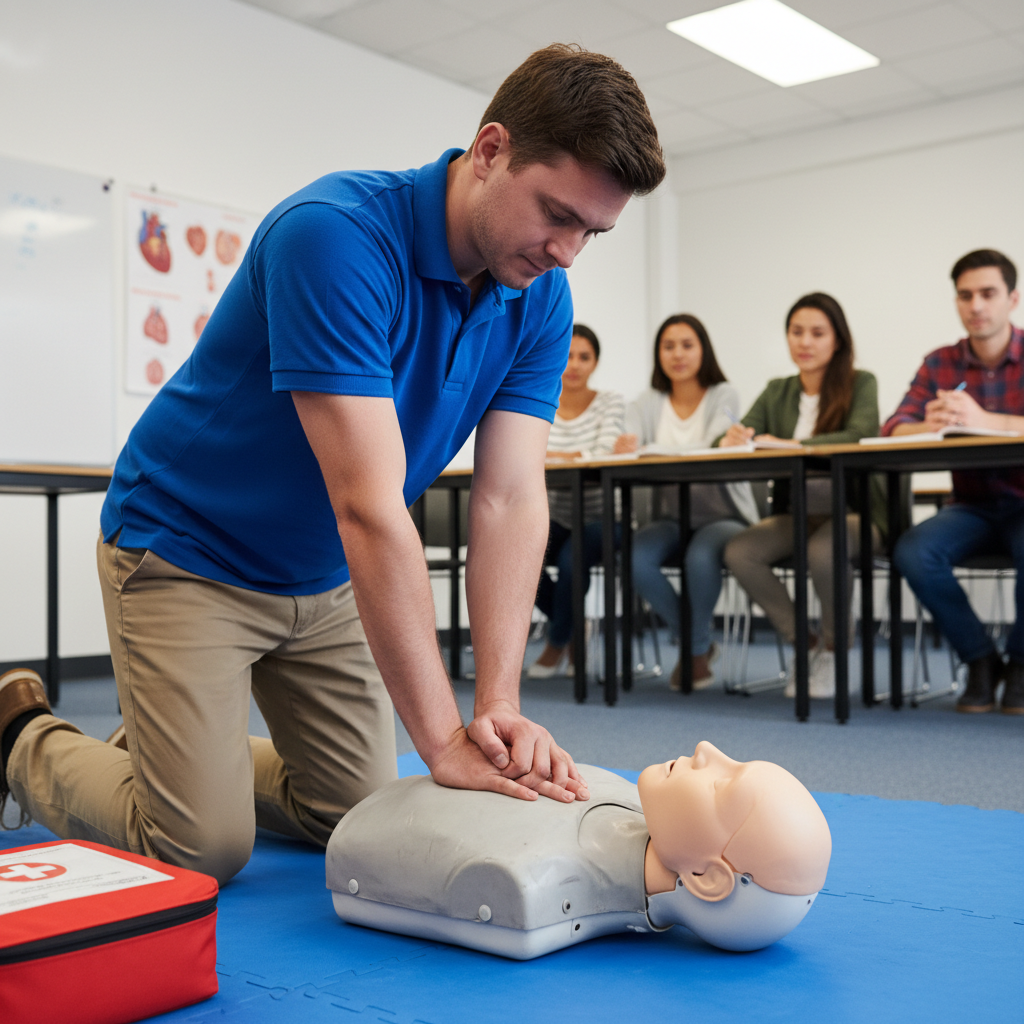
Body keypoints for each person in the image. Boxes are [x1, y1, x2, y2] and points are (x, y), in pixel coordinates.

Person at [0, 45, 666, 882]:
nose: (567, 252)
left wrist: (497, 706)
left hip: (322, 577)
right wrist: (441, 742)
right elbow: (371, 506)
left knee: (351, 820)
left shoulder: (539, 295)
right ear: (491, 150)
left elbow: (508, 498)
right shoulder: (335, 236)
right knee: (202, 850)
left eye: (591, 233)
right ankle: (22, 736)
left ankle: (174, 750)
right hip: (188, 552)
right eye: (556, 215)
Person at [327, 740, 831, 957]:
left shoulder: (533, 883)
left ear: (707, 879)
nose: (708, 752)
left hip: (366, 818)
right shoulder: (615, 790)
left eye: (724, 785)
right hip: (386, 799)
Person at [721, 293, 883, 699]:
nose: (804, 342)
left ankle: (833, 648)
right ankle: (805, 644)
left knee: (823, 550)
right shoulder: (778, 390)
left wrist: (792, 443)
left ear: (838, 340)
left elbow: (860, 435)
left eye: (817, 333)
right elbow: (745, 435)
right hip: (797, 513)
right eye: (796, 332)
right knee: (740, 551)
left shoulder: (861, 382)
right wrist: (732, 436)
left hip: (855, 514)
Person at [885, 249, 1023, 715]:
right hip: (972, 506)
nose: (976, 305)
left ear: (1012, 299)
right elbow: (892, 428)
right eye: (965, 295)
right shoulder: (940, 362)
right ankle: (981, 659)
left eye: (988, 293)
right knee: (913, 551)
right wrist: (930, 423)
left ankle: (1021, 666)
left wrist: (987, 420)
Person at [613, 315, 758, 691]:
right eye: (668, 346)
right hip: (671, 516)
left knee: (699, 556)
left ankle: (692, 653)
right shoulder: (647, 401)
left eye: (687, 345)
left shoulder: (723, 394)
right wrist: (626, 446)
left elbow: (714, 444)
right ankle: (699, 644)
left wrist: (652, 450)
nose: (678, 354)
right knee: (635, 558)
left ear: (703, 350)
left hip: (724, 515)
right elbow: (629, 442)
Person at [529, 324, 625, 677]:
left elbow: (602, 454)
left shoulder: (610, 402)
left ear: (595, 363)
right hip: (555, 516)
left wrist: (551, 454)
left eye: (584, 357)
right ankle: (571, 628)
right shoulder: (541, 397)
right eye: (568, 355)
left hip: (604, 520)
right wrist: (573, 454)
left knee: (572, 560)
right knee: (517, 555)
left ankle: (556, 642)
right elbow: (524, 454)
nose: (574, 365)